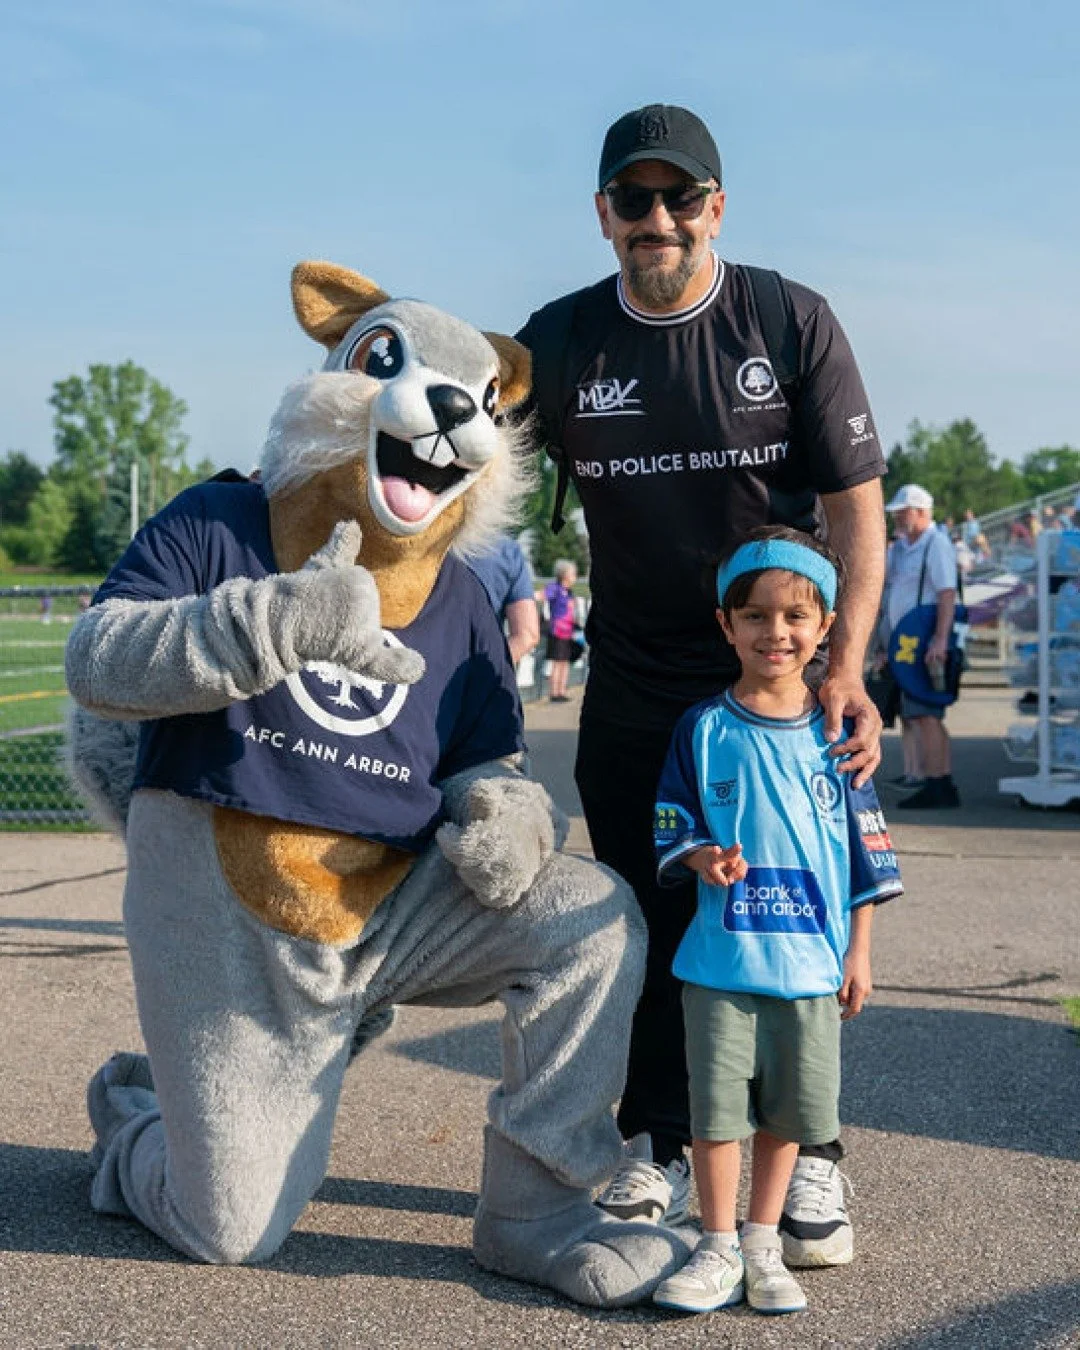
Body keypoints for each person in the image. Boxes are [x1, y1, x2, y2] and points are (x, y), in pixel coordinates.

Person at [517, 102, 888, 1262]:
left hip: (774, 676)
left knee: (791, 913)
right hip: (633, 681)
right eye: (636, 200)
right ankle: (661, 1142)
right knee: (647, 912)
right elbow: (464, 476)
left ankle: (810, 1155)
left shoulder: (788, 318)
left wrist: (848, 664)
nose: (659, 219)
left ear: (716, 208)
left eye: (682, 198)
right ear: (604, 216)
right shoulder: (564, 342)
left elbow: (856, 510)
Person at [649, 528, 902, 1314]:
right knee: (717, 1113)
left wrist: (858, 953)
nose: (776, 632)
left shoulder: (840, 735)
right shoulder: (704, 727)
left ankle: (765, 1241)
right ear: (727, 625)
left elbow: (866, 856)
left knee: (790, 1112)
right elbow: (671, 816)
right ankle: (718, 1245)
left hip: (810, 971)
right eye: (755, 616)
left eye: (796, 616)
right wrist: (700, 860)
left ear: (826, 625)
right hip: (719, 965)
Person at [878, 483, 961, 809]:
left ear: (922, 512)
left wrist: (940, 639)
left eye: (903, 512)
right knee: (916, 714)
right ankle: (935, 780)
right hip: (904, 645)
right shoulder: (902, 548)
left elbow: (946, 594)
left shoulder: (936, 545)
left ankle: (939, 782)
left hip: (923, 643)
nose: (898, 517)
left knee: (926, 714)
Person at [464, 533, 540, 668]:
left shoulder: (418, 544)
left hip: (420, 674)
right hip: (479, 671)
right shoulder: (504, 549)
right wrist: (482, 674)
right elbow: (527, 635)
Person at [543, 559, 579, 703]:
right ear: (564, 575)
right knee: (557, 662)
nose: (574, 577)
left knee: (565, 662)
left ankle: (562, 690)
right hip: (557, 631)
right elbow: (542, 595)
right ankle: (554, 692)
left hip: (568, 632)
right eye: (572, 574)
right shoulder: (555, 588)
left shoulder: (569, 592)